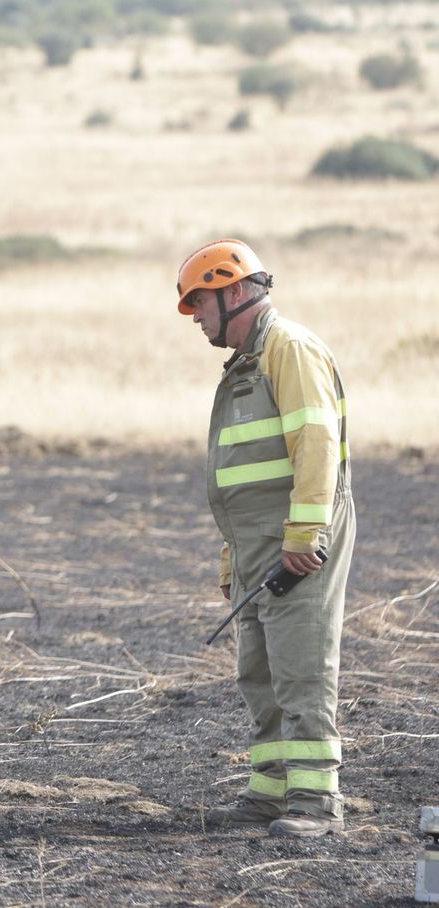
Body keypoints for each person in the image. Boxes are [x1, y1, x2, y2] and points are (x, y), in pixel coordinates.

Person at [177, 239, 354, 838]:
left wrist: (305, 532)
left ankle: (314, 801)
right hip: (257, 543)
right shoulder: (245, 365)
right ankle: (270, 791)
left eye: (199, 303)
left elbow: (317, 446)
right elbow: (241, 477)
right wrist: (233, 553)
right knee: (259, 668)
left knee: (301, 662)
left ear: (233, 292)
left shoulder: (290, 350)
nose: (196, 318)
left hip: (295, 541)